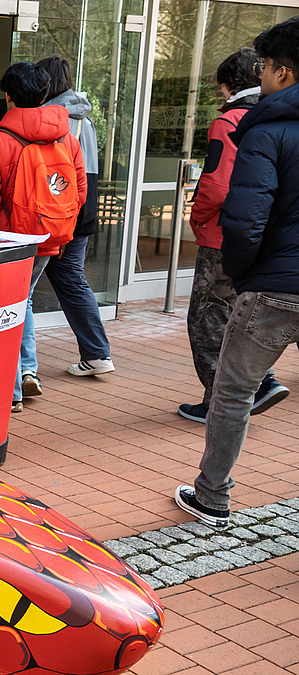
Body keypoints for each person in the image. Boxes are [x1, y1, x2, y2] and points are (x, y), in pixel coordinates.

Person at [175, 17, 299, 528]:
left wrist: (243, 273)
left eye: (265, 66)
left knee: (232, 392)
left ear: (284, 73)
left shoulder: (264, 129)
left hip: (274, 285)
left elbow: (246, 217)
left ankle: (212, 497)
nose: (260, 75)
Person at [178, 47, 289, 424]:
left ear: (228, 86)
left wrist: (197, 217)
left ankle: (226, 399)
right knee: (238, 313)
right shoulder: (277, 118)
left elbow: (216, 185)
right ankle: (260, 382)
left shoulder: (230, 122)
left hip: (224, 234)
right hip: (266, 235)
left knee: (207, 317)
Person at [0, 62, 86, 412]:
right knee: (23, 300)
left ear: (8, 96)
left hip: (9, 240)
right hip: (50, 234)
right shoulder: (67, 138)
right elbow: (79, 192)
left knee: (6, 307)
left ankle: (13, 392)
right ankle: (27, 371)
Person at [37, 56, 115, 378]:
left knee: (26, 288)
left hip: (57, 207)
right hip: (83, 204)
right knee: (71, 277)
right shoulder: (84, 117)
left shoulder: (52, 119)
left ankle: (23, 369)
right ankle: (97, 353)